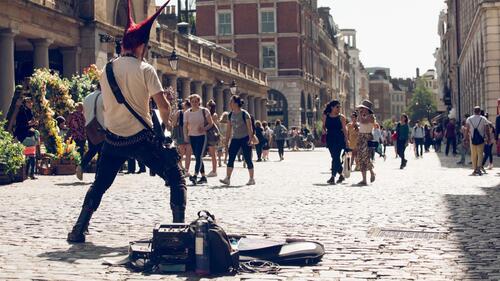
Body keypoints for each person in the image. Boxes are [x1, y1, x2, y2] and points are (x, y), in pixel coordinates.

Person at [67, 1, 186, 243]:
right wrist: (168, 127)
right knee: (177, 178)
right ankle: (178, 233)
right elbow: (163, 106)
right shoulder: (145, 69)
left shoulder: (106, 70)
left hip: (113, 139)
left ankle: (79, 228)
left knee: (99, 185)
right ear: (141, 46)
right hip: (141, 138)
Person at [220, 95, 256, 186]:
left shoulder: (244, 114)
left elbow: (249, 127)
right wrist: (227, 141)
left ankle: (251, 179)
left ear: (236, 103)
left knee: (248, 159)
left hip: (245, 138)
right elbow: (229, 129)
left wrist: (250, 138)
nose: (229, 103)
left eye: (231, 102)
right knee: (231, 158)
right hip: (235, 138)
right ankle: (227, 178)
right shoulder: (230, 115)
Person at [183, 94, 214, 185]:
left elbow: (210, 123)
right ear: (190, 102)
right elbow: (185, 126)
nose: (194, 103)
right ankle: (203, 177)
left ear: (199, 102)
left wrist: (204, 128)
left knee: (199, 156)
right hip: (192, 136)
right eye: (192, 101)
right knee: (197, 157)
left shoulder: (204, 111)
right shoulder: (187, 113)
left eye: (196, 101)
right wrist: (185, 136)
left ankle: (195, 175)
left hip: (202, 136)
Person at [77, 86, 105, 180]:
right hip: (101, 128)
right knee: (102, 153)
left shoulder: (87, 97)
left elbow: (84, 113)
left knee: (92, 150)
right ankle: (98, 176)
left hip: (89, 128)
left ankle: (81, 165)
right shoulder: (103, 97)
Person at [322, 100, 348, 185]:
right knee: (334, 157)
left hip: (339, 138)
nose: (339, 108)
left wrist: (346, 140)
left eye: (340, 107)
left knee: (336, 157)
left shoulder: (342, 117)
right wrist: (324, 131)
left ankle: (332, 177)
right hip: (330, 138)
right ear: (332, 107)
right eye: (337, 107)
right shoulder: (326, 116)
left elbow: (344, 129)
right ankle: (341, 175)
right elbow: (323, 126)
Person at [356, 100, 376, 185]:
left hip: (367, 138)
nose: (361, 110)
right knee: (360, 158)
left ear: (367, 109)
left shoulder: (371, 116)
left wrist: (359, 114)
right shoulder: (362, 116)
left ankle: (372, 172)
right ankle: (364, 179)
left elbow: (363, 121)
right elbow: (360, 122)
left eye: (363, 108)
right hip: (361, 137)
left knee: (366, 156)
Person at [465, 106, 490, 176]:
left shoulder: (469, 119)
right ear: (479, 111)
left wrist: (465, 138)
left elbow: (467, 129)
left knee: (473, 154)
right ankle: (479, 167)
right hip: (481, 139)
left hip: (472, 139)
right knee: (480, 154)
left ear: (474, 111)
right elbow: (487, 129)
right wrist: (489, 137)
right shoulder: (483, 118)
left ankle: (474, 169)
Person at [172, 99, 192, 176]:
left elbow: (173, 124)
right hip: (186, 133)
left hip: (182, 133)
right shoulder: (189, 112)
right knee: (186, 153)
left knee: (182, 152)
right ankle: (185, 170)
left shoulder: (179, 112)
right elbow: (174, 124)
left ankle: (183, 169)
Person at [205, 100, 219, 177]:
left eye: (207, 106)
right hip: (211, 134)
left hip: (210, 134)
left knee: (213, 153)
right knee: (213, 153)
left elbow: (212, 124)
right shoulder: (215, 115)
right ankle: (214, 170)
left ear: (210, 107)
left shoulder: (211, 115)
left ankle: (214, 170)